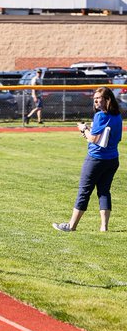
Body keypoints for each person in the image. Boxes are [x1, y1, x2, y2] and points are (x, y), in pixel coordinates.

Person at [54, 86, 120, 233]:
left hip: (96, 159)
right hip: (113, 159)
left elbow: (93, 139)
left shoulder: (100, 116)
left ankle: (71, 225)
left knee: (84, 191)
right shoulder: (117, 116)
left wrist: (84, 129)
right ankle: (104, 227)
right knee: (104, 191)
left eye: (99, 98)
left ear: (107, 99)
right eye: (95, 99)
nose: (96, 101)